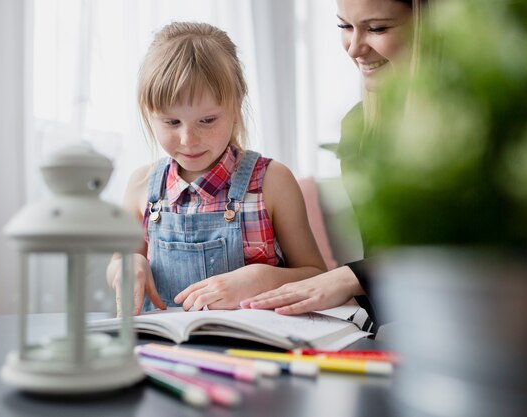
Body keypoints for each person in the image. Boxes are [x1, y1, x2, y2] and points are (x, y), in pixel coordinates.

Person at [107, 22, 327, 316]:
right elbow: (117, 264)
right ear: (151, 115)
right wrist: (126, 267)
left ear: (236, 106)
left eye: (207, 120)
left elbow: (316, 277)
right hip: (163, 351)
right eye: (172, 122)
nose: (188, 139)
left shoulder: (273, 182)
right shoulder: (141, 185)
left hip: (250, 351)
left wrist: (263, 279)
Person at [241, 0, 428, 333]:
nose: (354, 48)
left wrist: (352, 276)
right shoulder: (359, 129)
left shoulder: (487, 123)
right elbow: (384, 273)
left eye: (377, 28)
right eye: (344, 26)